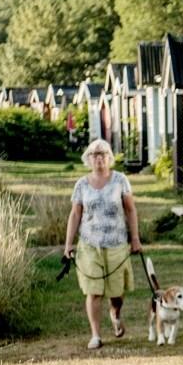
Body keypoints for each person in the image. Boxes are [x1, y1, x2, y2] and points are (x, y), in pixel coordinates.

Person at [64, 139, 143, 349]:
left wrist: (134, 238)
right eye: (94, 155)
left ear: (110, 158)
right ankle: (96, 335)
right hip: (89, 244)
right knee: (94, 290)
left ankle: (115, 313)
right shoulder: (81, 184)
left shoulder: (120, 180)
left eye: (103, 154)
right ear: (88, 159)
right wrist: (68, 244)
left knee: (116, 293)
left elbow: (130, 210)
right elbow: (75, 214)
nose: (99, 158)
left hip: (116, 243)